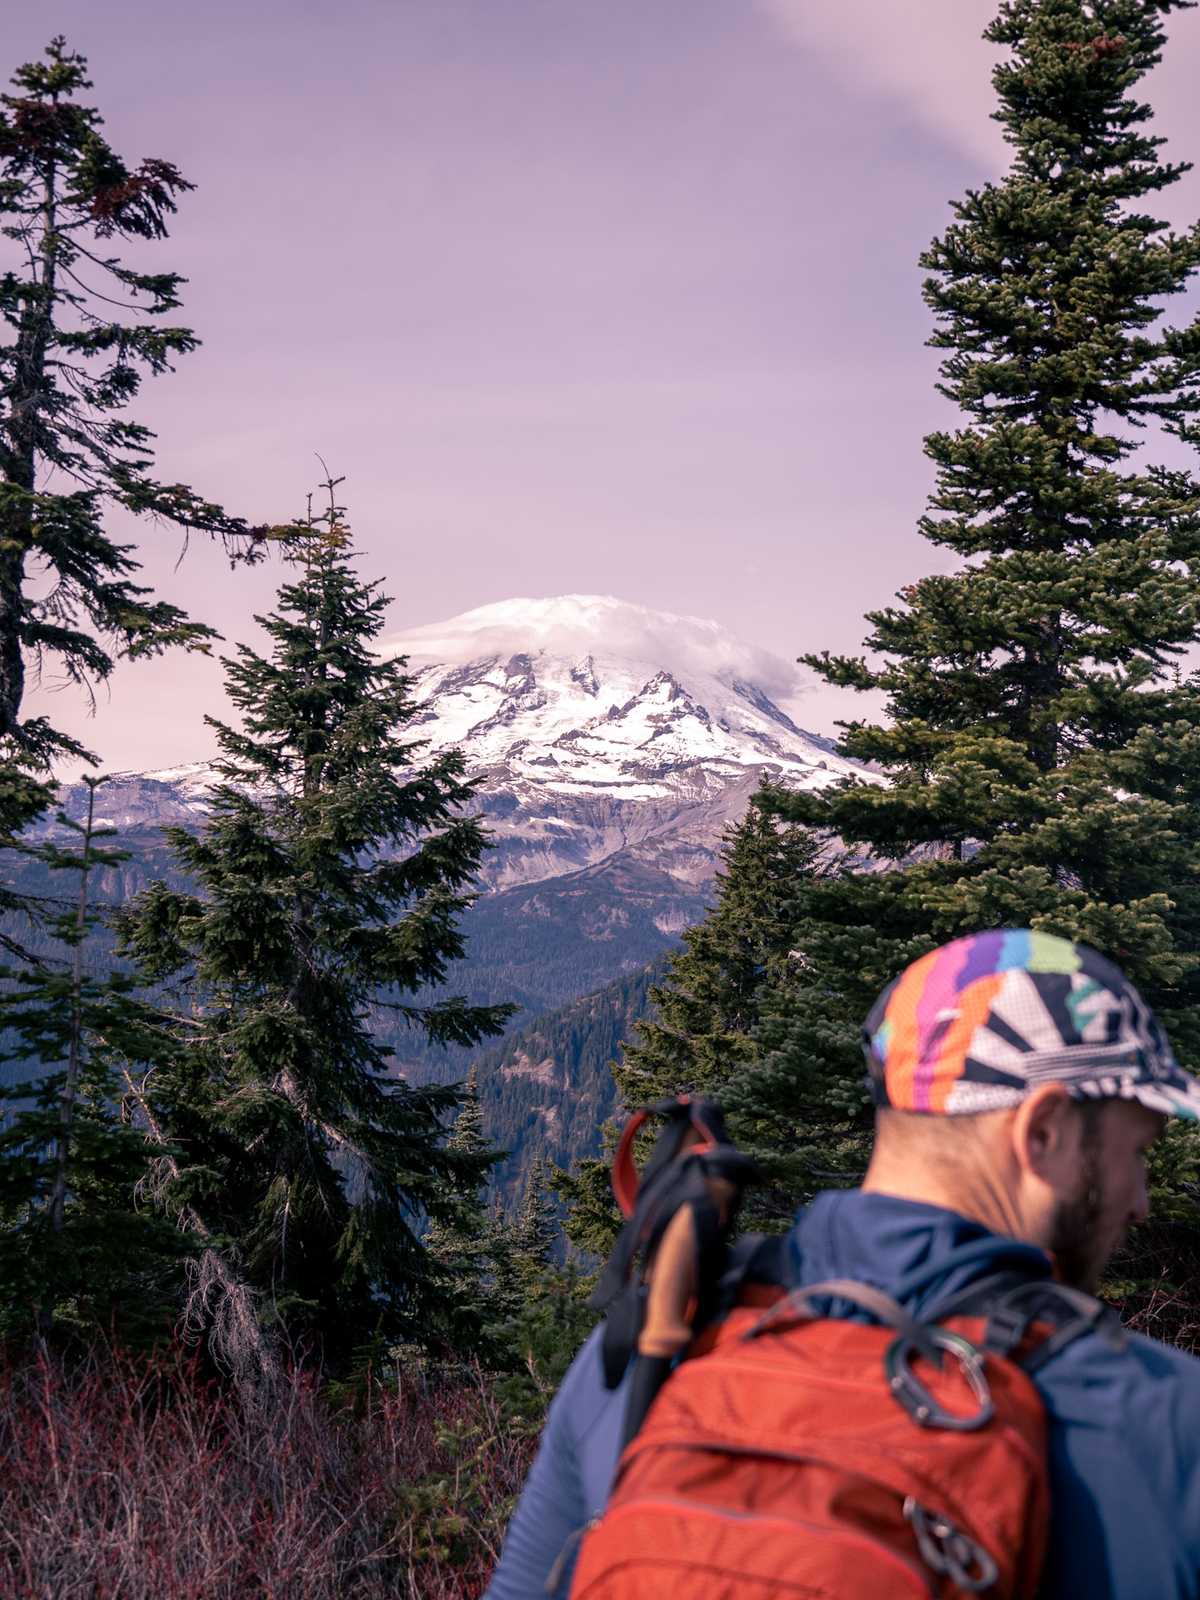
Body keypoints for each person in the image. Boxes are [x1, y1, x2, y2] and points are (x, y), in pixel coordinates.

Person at [484, 929, 1200, 1600]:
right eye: (1136, 1152)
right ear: (1041, 1131)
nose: (1139, 1200)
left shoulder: (662, 1342)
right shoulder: (1167, 1425)